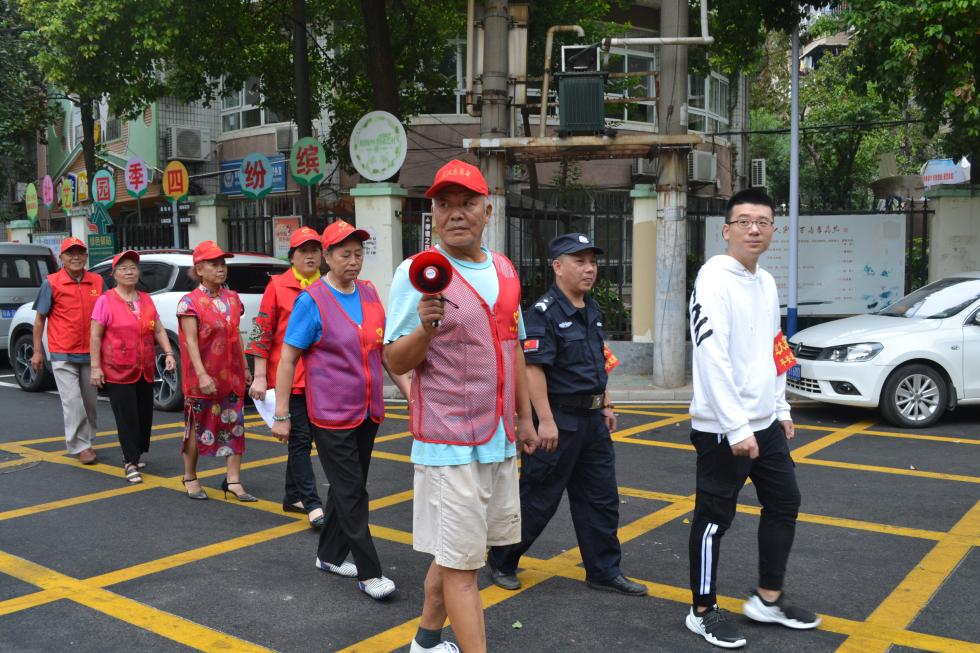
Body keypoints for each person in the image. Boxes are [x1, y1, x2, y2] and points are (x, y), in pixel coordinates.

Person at [384, 160, 538, 653]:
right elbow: (394, 358)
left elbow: (513, 347)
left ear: (487, 211)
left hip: (497, 439)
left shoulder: (504, 269)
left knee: (460, 554)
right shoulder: (416, 273)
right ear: (432, 213)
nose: (455, 213)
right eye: (444, 204)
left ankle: (427, 642)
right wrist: (425, 329)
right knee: (463, 568)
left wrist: (526, 419)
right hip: (448, 441)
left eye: (467, 203)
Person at [685, 189, 820, 649]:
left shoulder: (765, 281)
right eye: (744, 221)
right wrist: (736, 426)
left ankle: (768, 598)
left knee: (785, 501)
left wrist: (780, 408)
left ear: (772, 231)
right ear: (727, 230)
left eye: (763, 222)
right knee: (713, 520)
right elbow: (711, 355)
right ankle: (702, 610)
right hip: (723, 429)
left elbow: (775, 347)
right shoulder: (712, 280)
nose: (754, 229)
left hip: (766, 423)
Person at [486, 233, 646, 597]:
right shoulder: (543, 314)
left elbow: (597, 360)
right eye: (580, 261)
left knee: (601, 498)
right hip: (559, 419)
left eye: (593, 262)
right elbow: (533, 369)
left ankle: (604, 571)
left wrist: (606, 403)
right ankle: (502, 560)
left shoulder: (591, 309)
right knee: (538, 498)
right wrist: (544, 420)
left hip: (591, 422)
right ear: (558, 267)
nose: (589, 269)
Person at [271, 220, 409, 601]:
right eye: (345, 254)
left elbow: (384, 352)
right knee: (352, 492)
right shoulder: (311, 300)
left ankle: (330, 555)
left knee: (349, 487)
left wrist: (410, 394)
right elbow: (288, 359)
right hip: (331, 415)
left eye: (358, 254)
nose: (353, 261)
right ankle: (370, 572)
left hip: (367, 412)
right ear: (327, 258)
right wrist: (281, 413)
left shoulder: (369, 293)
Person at [247, 226, 326, 530]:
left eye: (315, 250)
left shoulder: (327, 285)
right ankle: (312, 503)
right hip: (289, 378)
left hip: (321, 379)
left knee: (307, 438)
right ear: (292, 256)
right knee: (301, 439)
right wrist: (259, 376)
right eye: (303, 251)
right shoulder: (278, 286)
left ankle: (293, 495)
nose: (310, 256)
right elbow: (262, 331)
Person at [177, 240, 254, 502]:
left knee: (235, 426)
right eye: (214, 264)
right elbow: (190, 342)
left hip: (231, 375)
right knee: (196, 427)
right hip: (202, 377)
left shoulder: (232, 298)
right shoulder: (189, 302)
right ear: (199, 269)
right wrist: (201, 375)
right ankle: (190, 476)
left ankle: (233, 480)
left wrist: (245, 366)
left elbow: (236, 334)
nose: (221, 268)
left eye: (223, 264)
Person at [89, 250, 176, 483]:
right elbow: (95, 336)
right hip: (117, 369)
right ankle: (130, 461)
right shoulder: (105, 300)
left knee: (143, 416)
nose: (129, 272)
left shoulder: (145, 299)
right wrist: (95, 367)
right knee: (126, 417)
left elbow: (158, 329)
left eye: (133, 268)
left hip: (144, 368)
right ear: (114, 274)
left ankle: (134, 453)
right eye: (123, 268)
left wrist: (168, 353)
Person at [31, 236, 105, 464]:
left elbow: (107, 315)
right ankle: (81, 446)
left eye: (80, 253)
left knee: (90, 403)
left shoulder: (98, 281)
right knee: (73, 401)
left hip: (91, 354)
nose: (76, 257)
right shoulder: (51, 282)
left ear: (86, 256)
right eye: (70, 253)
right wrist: (37, 351)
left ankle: (87, 439)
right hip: (62, 352)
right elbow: (39, 320)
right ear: (61, 257)